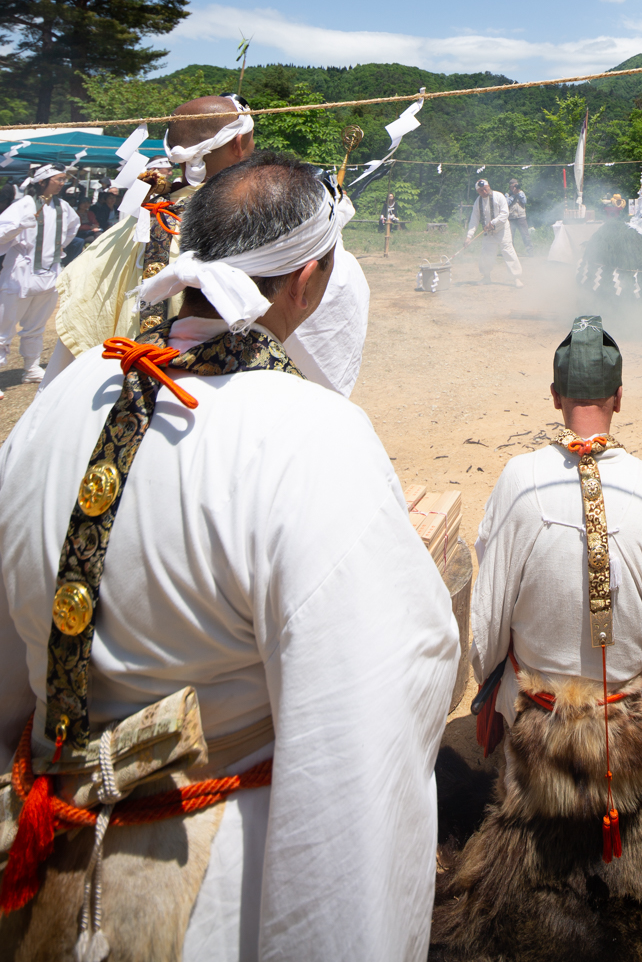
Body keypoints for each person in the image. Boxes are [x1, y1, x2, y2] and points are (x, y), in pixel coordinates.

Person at [0, 152, 458, 957]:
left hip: (29, 852)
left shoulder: (63, 398)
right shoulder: (311, 436)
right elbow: (362, 730)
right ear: (309, 282)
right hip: (210, 890)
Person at [470, 315, 642, 773]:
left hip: (536, 731)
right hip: (627, 737)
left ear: (555, 395)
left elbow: (487, 624)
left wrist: (490, 680)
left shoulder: (518, 479)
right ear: (619, 398)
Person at [49, 94, 371, 399]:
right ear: (238, 143)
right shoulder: (259, 228)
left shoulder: (126, 229)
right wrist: (325, 223)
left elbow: (74, 341)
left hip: (116, 390)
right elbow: (323, 317)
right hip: (219, 397)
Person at [0, 166, 80, 388]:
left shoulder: (63, 207)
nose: (62, 182)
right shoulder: (23, 206)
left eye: (64, 179)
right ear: (42, 181)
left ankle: (31, 368)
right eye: (58, 179)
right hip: (20, 275)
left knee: (36, 325)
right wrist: (17, 228)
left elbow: (72, 229)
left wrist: (54, 253)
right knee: (3, 326)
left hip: (49, 273)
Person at [465, 178, 523, 287]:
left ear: (489, 186)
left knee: (508, 252)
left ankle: (516, 278)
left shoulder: (499, 196)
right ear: (478, 191)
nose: (484, 192)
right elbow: (474, 220)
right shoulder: (478, 202)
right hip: (488, 232)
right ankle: (486, 277)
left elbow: (505, 214)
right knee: (486, 254)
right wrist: (469, 237)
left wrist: (493, 222)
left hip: (502, 230)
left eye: (485, 189)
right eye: (481, 190)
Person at [507, 177, 533, 253]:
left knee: (525, 234)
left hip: (521, 217)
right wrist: (513, 195)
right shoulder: (507, 194)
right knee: (510, 236)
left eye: (516, 186)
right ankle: (511, 252)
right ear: (510, 187)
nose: (515, 187)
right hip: (511, 217)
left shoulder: (521, 193)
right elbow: (507, 203)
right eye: (513, 186)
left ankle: (530, 251)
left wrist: (517, 193)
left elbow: (524, 201)